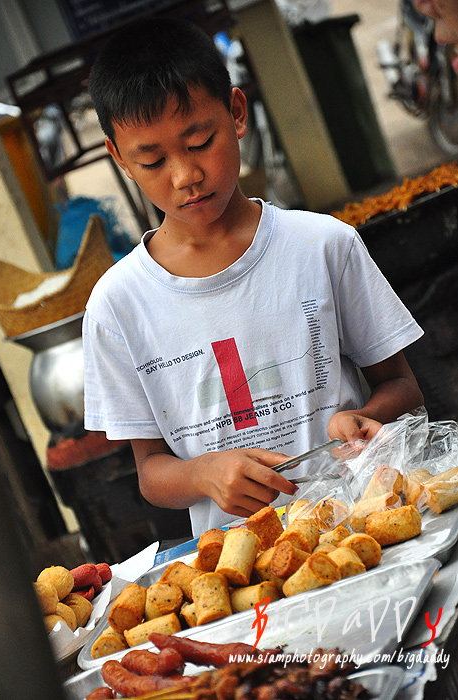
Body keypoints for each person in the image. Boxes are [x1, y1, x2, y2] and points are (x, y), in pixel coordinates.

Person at [83, 16, 424, 536]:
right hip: (246, 566)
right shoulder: (117, 305)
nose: (185, 176)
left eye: (199, 142)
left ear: (237, 113)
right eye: (152, 161)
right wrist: (202, 471)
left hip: (364, 525)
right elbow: (151, 471)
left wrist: (366, 418)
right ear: (120, 159)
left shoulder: (321, 245)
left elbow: (402, 385)